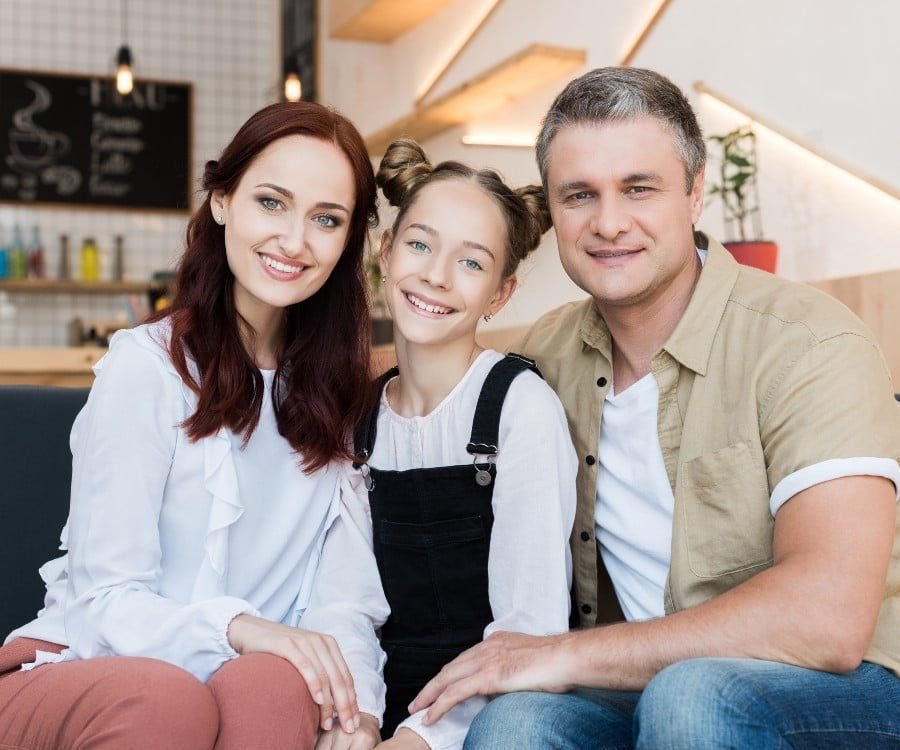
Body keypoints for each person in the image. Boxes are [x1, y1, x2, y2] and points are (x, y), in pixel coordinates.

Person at [408, 67, 900, 748]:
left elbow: (829, 618)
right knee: (513, 724)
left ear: (696, 195)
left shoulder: (810, 342)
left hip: (852, 688)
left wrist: (563, 655)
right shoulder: (541, 360)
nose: (610, 223)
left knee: (693, 697)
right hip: (642, 687)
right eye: (580, 195)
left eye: (639, 188)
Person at [0, 101, 390, 750]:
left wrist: (359, 715)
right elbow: (105, 607)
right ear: (221, 201)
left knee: (279, 685)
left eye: (326, 219)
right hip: (81, 672)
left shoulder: (342, 395)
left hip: (237, 687)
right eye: (272, 202)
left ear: (348, 242)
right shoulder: (145, 369)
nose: (295, 240)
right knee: (172, 697)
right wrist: (244, 627)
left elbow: (342, 604)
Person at [313, 139, 577, 750]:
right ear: (386, 251)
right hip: (376, 697)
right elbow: (345, 605)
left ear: (501, 294)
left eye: (472, 262)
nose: (435, 275)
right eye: (420, 244)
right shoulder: (360, 422)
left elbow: (528, 633)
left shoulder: (519, 408)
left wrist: (419, 739)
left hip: (492, 713)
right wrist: (353, 720)